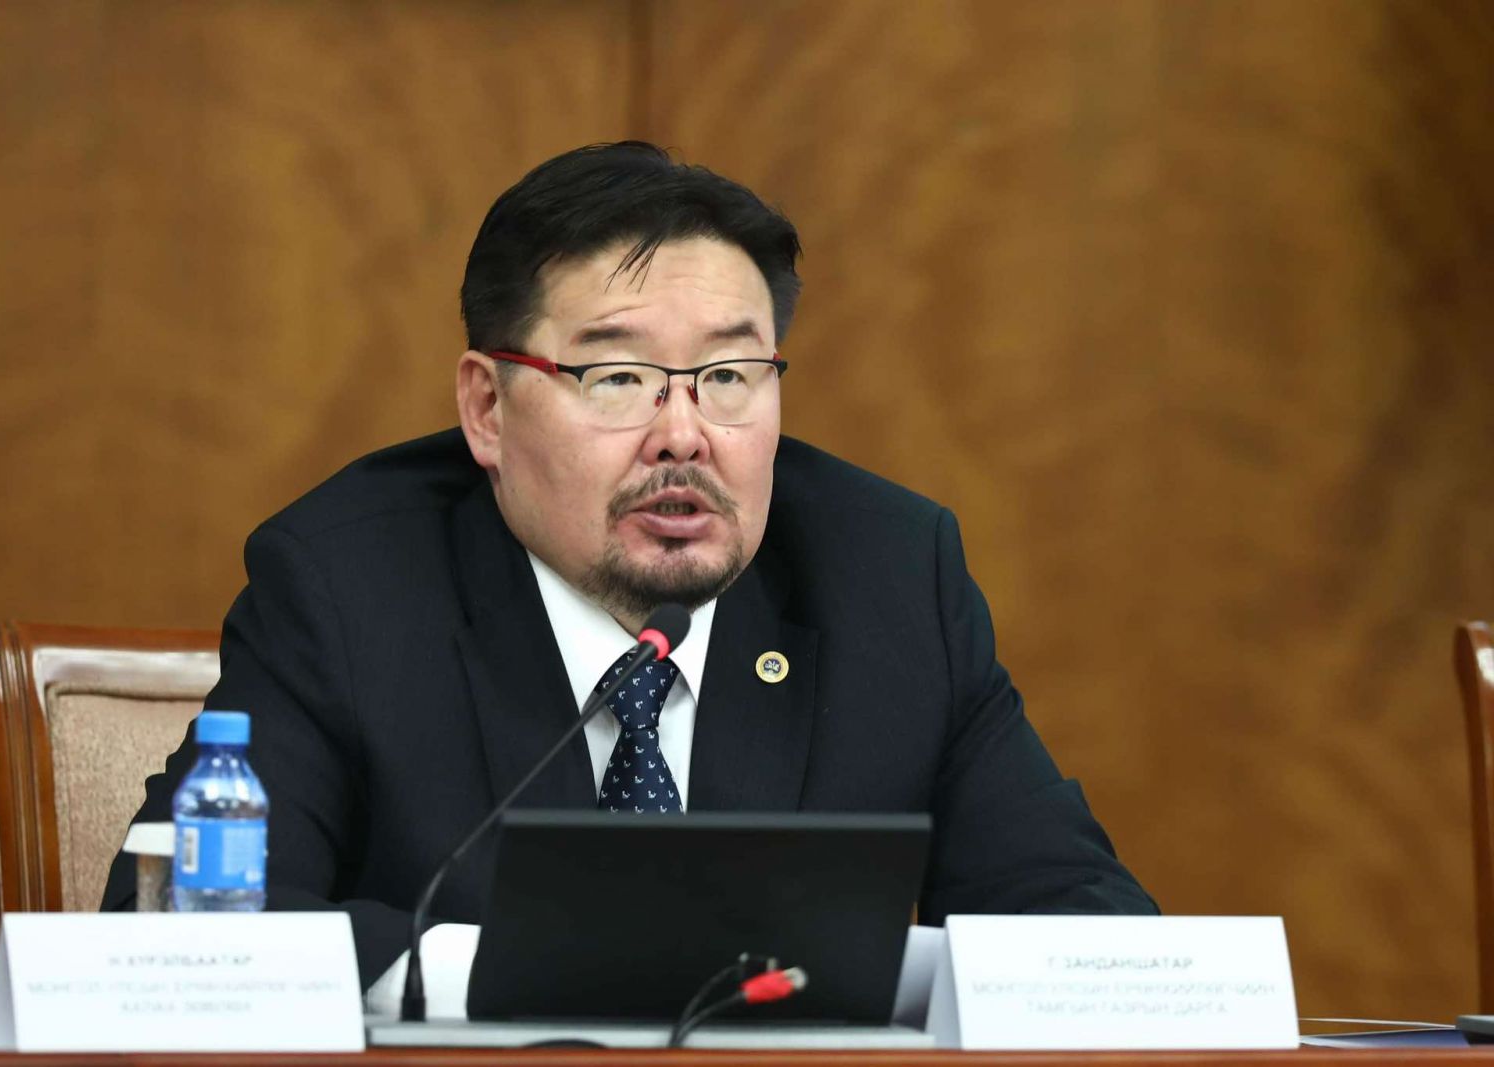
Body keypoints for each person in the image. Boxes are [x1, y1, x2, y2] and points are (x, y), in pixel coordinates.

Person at [102, 142, 1156, 994]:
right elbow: (186, 934)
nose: (683, 434)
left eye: (730, 374)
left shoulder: (887, 576)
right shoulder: (348, 585)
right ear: (486, 407)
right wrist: (534, 971)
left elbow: (1085, 929)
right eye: (616, 377)